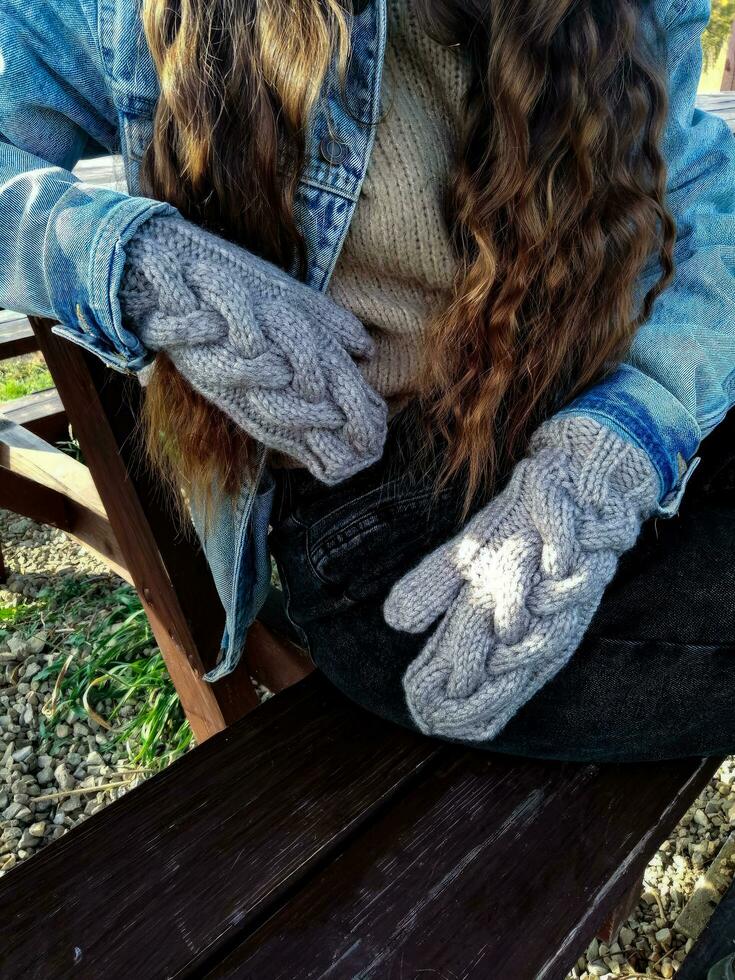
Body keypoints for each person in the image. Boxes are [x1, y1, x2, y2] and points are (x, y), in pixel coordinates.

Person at [1, 0, 733, 761]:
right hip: (382, 512)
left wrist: (625, 438)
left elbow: (700, 200)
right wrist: (135, 267)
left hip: (621, 406)